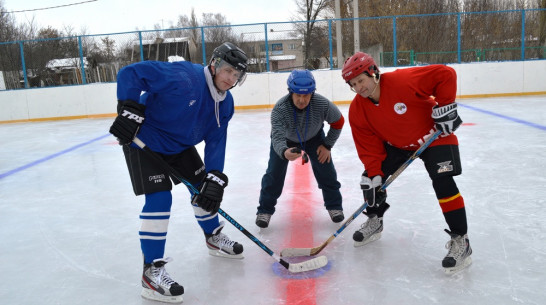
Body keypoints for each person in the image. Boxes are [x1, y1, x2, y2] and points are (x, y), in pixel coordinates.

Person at [109, 42, 249, 303]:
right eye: (228, 71)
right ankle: (151, 272)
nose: (231, 79)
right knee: (160, 199)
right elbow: (130, 73)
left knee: (205, 189)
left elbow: (217, 140)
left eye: (236, 75)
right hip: (145, 139)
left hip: (179, 146)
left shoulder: (225, 104)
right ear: (215, 64)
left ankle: (213, 238)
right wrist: (127, 108)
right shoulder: (184, 77)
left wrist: (215, 174)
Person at [341, 52, 472, 274]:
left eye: (361, 80)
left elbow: (445, 74)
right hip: (398, 145)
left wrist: (446, 105)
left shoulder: (402, 81)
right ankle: (375, 220)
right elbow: (369, 147)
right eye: (353, 84)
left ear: (373, 73)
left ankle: (461, 240)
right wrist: (374, 174)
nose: (359, 88)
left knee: (443, 183)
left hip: (434, 137)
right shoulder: (358, 110)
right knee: (370, 181)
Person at [255, 69, 345, 229]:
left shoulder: (322, 104)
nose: (302, 100)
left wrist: (327, 145)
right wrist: (283, 151)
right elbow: (276, 136)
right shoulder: (280, 109)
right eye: (298, 95)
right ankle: (265, 210)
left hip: (315, 138)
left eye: (306, 95)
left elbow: (338, 121)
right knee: (273, 174)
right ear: (291, 92)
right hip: (286, 140)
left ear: (312, 93)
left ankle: (334, 207)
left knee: (327, 172)